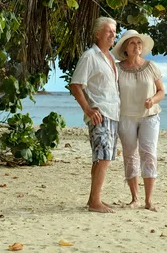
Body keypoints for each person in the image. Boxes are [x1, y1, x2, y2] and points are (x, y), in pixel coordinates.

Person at [69, 17, 120, 213]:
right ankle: (95, 202)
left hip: (113, 113)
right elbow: (75, 84)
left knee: (102, 157)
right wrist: (88, 109)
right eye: (108, 31)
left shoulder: (111, 58)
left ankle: (94, 200)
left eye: (114, 32)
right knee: (103, 157)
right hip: (99, 113)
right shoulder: (90, 56)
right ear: (97, 33)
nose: (112, 35)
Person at [111, 30, 165, 211]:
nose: (137, 46)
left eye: (139, 43)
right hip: (125, 116)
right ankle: (135, 198)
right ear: (125, 48)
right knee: (129, 155)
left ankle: (149, 200)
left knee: (148, 153)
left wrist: (153, 100)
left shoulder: (151, 66)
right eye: (133, 43)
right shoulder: (117, 69)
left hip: (149, 116)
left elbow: (161, 91)